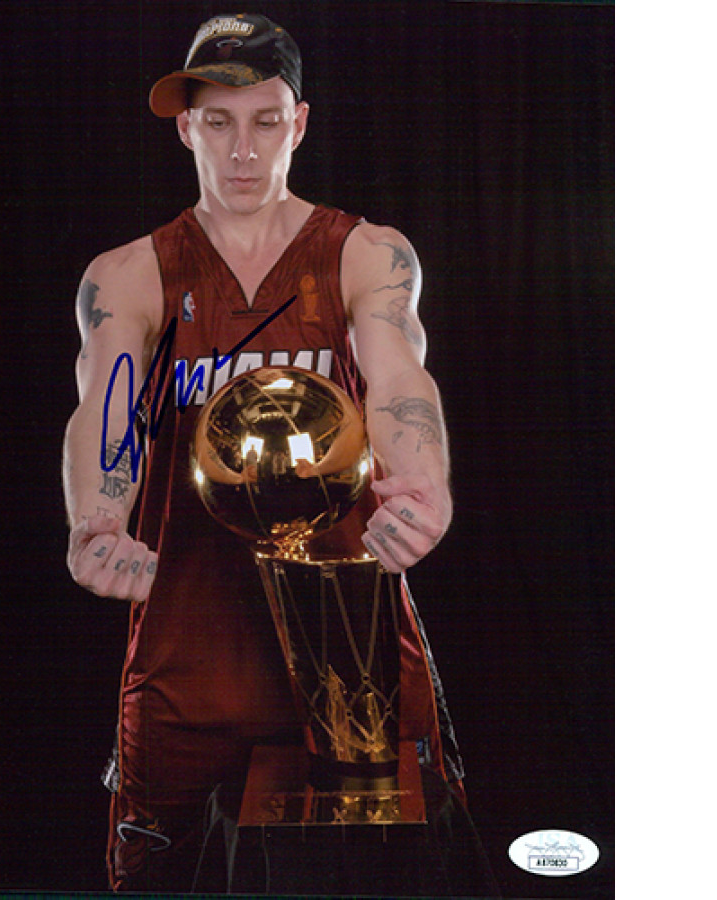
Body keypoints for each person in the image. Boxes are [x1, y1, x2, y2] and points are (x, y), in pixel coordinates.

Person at [63, 13, 486, 894]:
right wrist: (98, 517)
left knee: (391, 882)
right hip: (189, 657)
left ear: (299, 123)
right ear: (187, 128)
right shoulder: (131, 273)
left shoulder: (365, 255)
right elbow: (107, 404)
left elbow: (398, 376)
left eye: (265, 120)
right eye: (219, 122)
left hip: (351, 661)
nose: (243, 149)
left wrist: (420, 483)